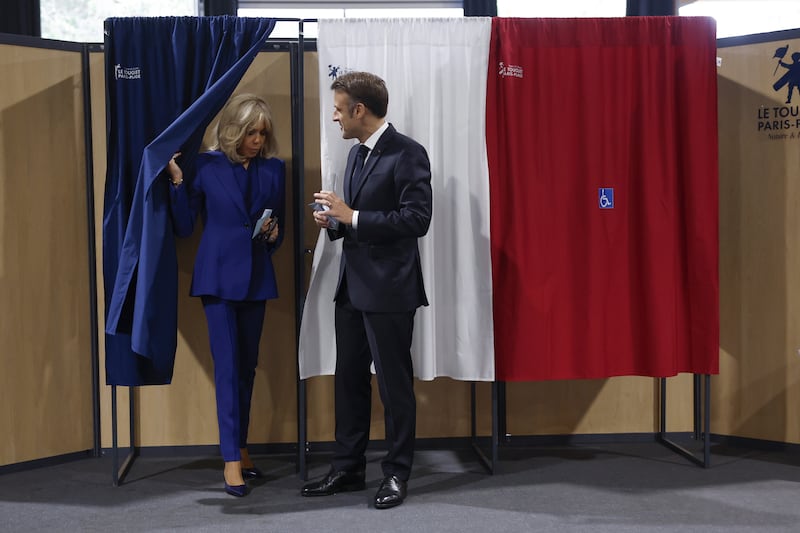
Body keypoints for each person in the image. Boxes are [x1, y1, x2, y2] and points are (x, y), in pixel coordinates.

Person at [301, 71, 432, 509]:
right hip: (352, 288)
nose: (335, 118)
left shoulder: (409, 153)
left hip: (391, 291)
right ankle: (348, 469)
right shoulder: (356, 156)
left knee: (394, 387)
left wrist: (351, 215)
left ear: (360, 110)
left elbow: (417, 221)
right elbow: (355, 218)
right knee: (349, 382)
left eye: (339, 110)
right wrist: (335, 222)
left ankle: (396, 474)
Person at [167, 93, 285, 497]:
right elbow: (184, 226)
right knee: (228, 368)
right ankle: (230, 459)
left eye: (262, 133)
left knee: (247, 367)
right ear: (234, 129)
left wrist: (273, 235)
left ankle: (243, 448)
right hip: (217, 279)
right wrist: (179, 181)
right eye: (251, 131)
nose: (257, 139)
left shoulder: (274, 169)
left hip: (256, 278)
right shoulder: (206, 166)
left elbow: (277, 230)